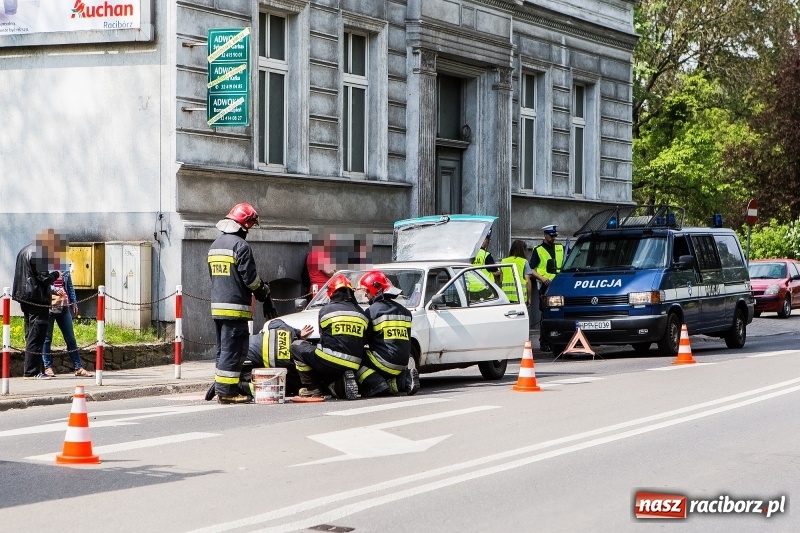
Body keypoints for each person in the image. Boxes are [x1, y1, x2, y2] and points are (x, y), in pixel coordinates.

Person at [208, 203, 278, 404]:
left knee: (223, 350)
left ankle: (223, 387)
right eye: (250, 225)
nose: (250, 230)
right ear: (244, 224)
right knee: (235, 350)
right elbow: (250, 280)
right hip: (236, 309)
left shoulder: (215, 246)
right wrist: (263, 290)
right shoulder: (241, 247)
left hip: (218, 308)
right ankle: (228, 393)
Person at [290, 274, 367, 400]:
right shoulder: (362, 313)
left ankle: (313, 388)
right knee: (331, 384)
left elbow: (323, 337)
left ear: (331, 293)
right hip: (354, 364)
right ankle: (341, 383)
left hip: (329, 361)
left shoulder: (326, 310)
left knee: (296, 346)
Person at [205, 319, 313, 401]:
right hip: (245, 361)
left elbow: (273, 322)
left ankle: (224, 384)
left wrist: (297, 333)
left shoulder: (285, 330)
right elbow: (290, 384)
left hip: (242, 347)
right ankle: (235, 386)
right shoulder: (289, 366)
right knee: (276, 389)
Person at [356, 270, 420, 397]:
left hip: (384, 363)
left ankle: (376, 383)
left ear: (375, 290)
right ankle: (404, 381)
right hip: (402, 363)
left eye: (367, 291)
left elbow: (365, 339)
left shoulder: (372, 312)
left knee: (357, 356)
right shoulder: (405, 312)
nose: (366, 296)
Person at [12, 229, 63, 380]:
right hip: (37, 299)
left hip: (24, 298)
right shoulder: (39, 253)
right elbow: (43, 278)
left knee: (30, 333)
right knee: (37, 334)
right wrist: (56, 275)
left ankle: (35, 369)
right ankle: (32, 371)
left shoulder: (24, 250)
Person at [42, 263, 93, 377]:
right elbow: (41, 283)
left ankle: (78, 367)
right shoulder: (43, 264)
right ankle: (47, 367)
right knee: (47, 338)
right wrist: (54, 289)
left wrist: (73, 302)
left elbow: (69, 285)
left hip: (63, 306)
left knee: (70, 338)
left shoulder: (63, 266)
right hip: (49, 306)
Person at [530, 225, 565, 352]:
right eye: (551, 236)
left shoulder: (561, 248)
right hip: (546, 287)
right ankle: (544, 342)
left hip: (560, 284)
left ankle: (561, 340)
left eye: (555, 236)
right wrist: (542, 278)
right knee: (546, 315)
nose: (553, 238)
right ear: (545, 235)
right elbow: (531, 269)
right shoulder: (538, 250)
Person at [500, 240, 533, 306]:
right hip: (520, 298)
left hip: (505, 298)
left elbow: (501, 280)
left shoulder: (503, 261)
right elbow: (528, 282)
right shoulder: (524, 262)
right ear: (523, 250)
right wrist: (529, 298)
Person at [306, 232, 335, 297]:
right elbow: (329, 272)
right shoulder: (319, 254)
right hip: (324, 289)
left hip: (318, 289)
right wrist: (336, 272)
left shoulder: (311, 254)